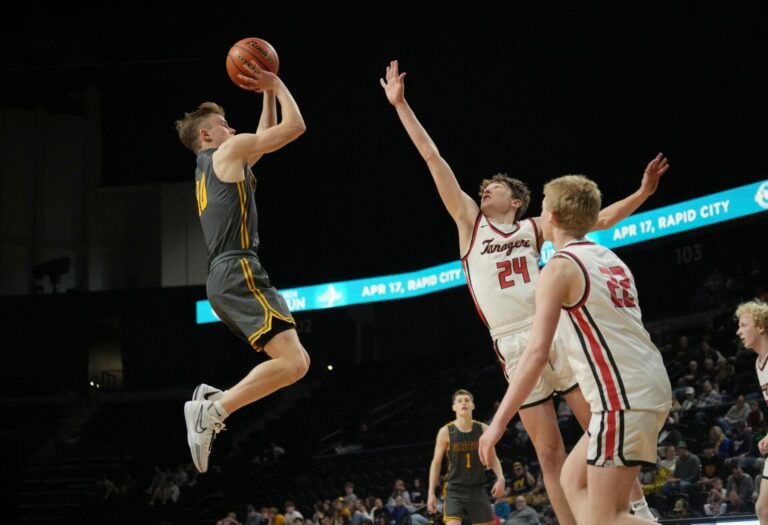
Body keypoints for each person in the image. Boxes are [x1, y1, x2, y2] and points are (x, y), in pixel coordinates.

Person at [380, 60, 666, 524]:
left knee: (599, 426)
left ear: (515, 201)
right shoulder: (470, 224)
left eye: (492, 188)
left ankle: (635, 508)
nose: (483, 190)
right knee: (549, 453)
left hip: (553, 330)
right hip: (512, 341)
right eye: (483, 188)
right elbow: (434, 158)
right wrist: (401, 105)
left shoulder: (537, 227)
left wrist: (642, 193)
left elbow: (598, 220)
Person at [477, 174, 672, 524]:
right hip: (647, 382)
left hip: (622, 396)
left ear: (549, 218)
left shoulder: (558, 268)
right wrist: (642, 192)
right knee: (570, 478)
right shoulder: (609, 257)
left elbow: (536, 355)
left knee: (606, 518)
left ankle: (641, 513)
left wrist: (497, 425)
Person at [175, 60, 310, 473]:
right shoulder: (227, 151)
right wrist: (278, 82)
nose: (232, 130)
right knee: (294, 364)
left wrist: (266, 93)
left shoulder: (212, 166)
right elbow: (293, 128)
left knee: (295, 364)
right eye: (225, 123)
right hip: (238, 268)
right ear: (206, 134)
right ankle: (215, 409)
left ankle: (216, 404)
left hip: (224, 275)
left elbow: (264, 142)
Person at [427, 389, 505, 525]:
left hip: (478, 488)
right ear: (454, 407)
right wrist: (431, 493)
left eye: (467, 400)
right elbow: (436, 463)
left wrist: (501, 477)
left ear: (473, 405)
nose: (464, 403)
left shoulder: (483, 429)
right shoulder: (446, 431)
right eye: (459, 401)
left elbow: (493, 457)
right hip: (454, 489)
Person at [735, 299, 768, 523]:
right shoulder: (759, 364)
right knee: (763, 509)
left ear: (761, 326)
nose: (739, 331)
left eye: (743, 324)